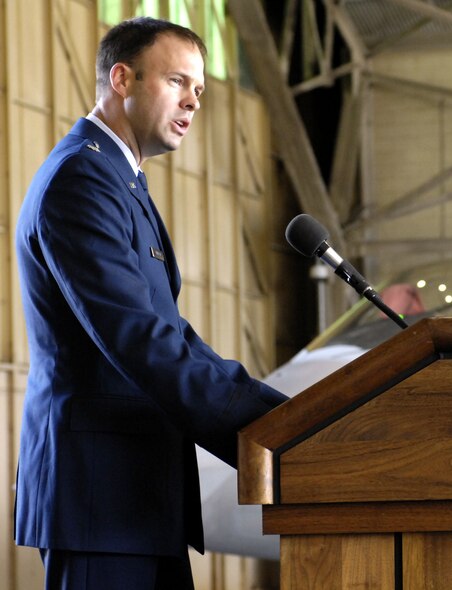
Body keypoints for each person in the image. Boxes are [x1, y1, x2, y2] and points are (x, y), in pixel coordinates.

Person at [14, 17, 289, 589]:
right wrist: (270, 435)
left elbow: (175, 336)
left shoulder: (119, 178)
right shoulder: (82, 179)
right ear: (121, 78)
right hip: (100, 498)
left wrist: (283, 419)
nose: (193, 101)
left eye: (200, 90)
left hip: (136, 497)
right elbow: (139, 340)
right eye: (177, 81)